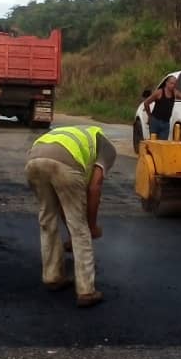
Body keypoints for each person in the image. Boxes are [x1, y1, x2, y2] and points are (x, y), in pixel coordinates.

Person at [25, 125, 117, 308]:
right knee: (80, 228)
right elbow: (94, 187)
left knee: (47, 221)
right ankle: (86, 291)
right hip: (63, 166)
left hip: (33, 161)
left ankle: (52, 276)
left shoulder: (72, 135)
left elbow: (63, 202)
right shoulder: (108, 148)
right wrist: (91, 226)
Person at [141, 75, 181, 140]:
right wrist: (150, 116)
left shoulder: (175, 92)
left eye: (174, 84)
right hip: (155, 121)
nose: (173, 85)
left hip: (166, 123)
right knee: (153, 143)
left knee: (163, 145)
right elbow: (146, 103)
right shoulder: (159, 93)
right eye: (171, 83)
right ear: (166, 83)